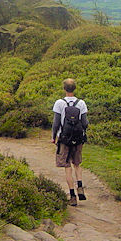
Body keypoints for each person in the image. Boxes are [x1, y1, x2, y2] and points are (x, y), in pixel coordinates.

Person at [52, 78, 88, 206]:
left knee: (67, 166)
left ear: (64, 89)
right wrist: (82, 134)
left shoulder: (59, 103)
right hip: (78, 138)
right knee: (77, 164)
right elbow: (85, 123)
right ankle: (80, 187)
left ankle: (72, 196)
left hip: (64, 139)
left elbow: (56, 123)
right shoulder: (81, 103)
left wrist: (53, 137)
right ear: (75, 88)